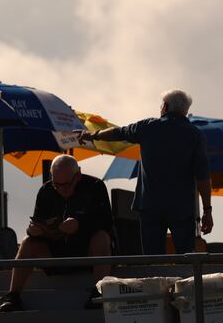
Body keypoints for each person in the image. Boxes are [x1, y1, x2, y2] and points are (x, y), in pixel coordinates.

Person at [79, 89, 212, 255]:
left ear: (164, 106)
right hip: (181, 208)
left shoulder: (148, 127)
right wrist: (207, 210)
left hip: (150, 205)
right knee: (187, 257)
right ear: (185, 110)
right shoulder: (195, 135)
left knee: (153, 258)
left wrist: (94, 135)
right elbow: (203, 178)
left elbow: (118, 133)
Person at [0, 155, 113, 312]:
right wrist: (33, 230)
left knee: (101, 237)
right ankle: (13, 295)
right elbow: (37, 221)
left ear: (78, 175)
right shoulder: (46, 191)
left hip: (87, 254)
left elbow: (107, 223)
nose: (60, 190)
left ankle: (99, 292)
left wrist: (80, 224)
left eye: (66, 185)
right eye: (56, 185)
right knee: (28, 242)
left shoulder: (95, 186)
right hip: (57, 253)